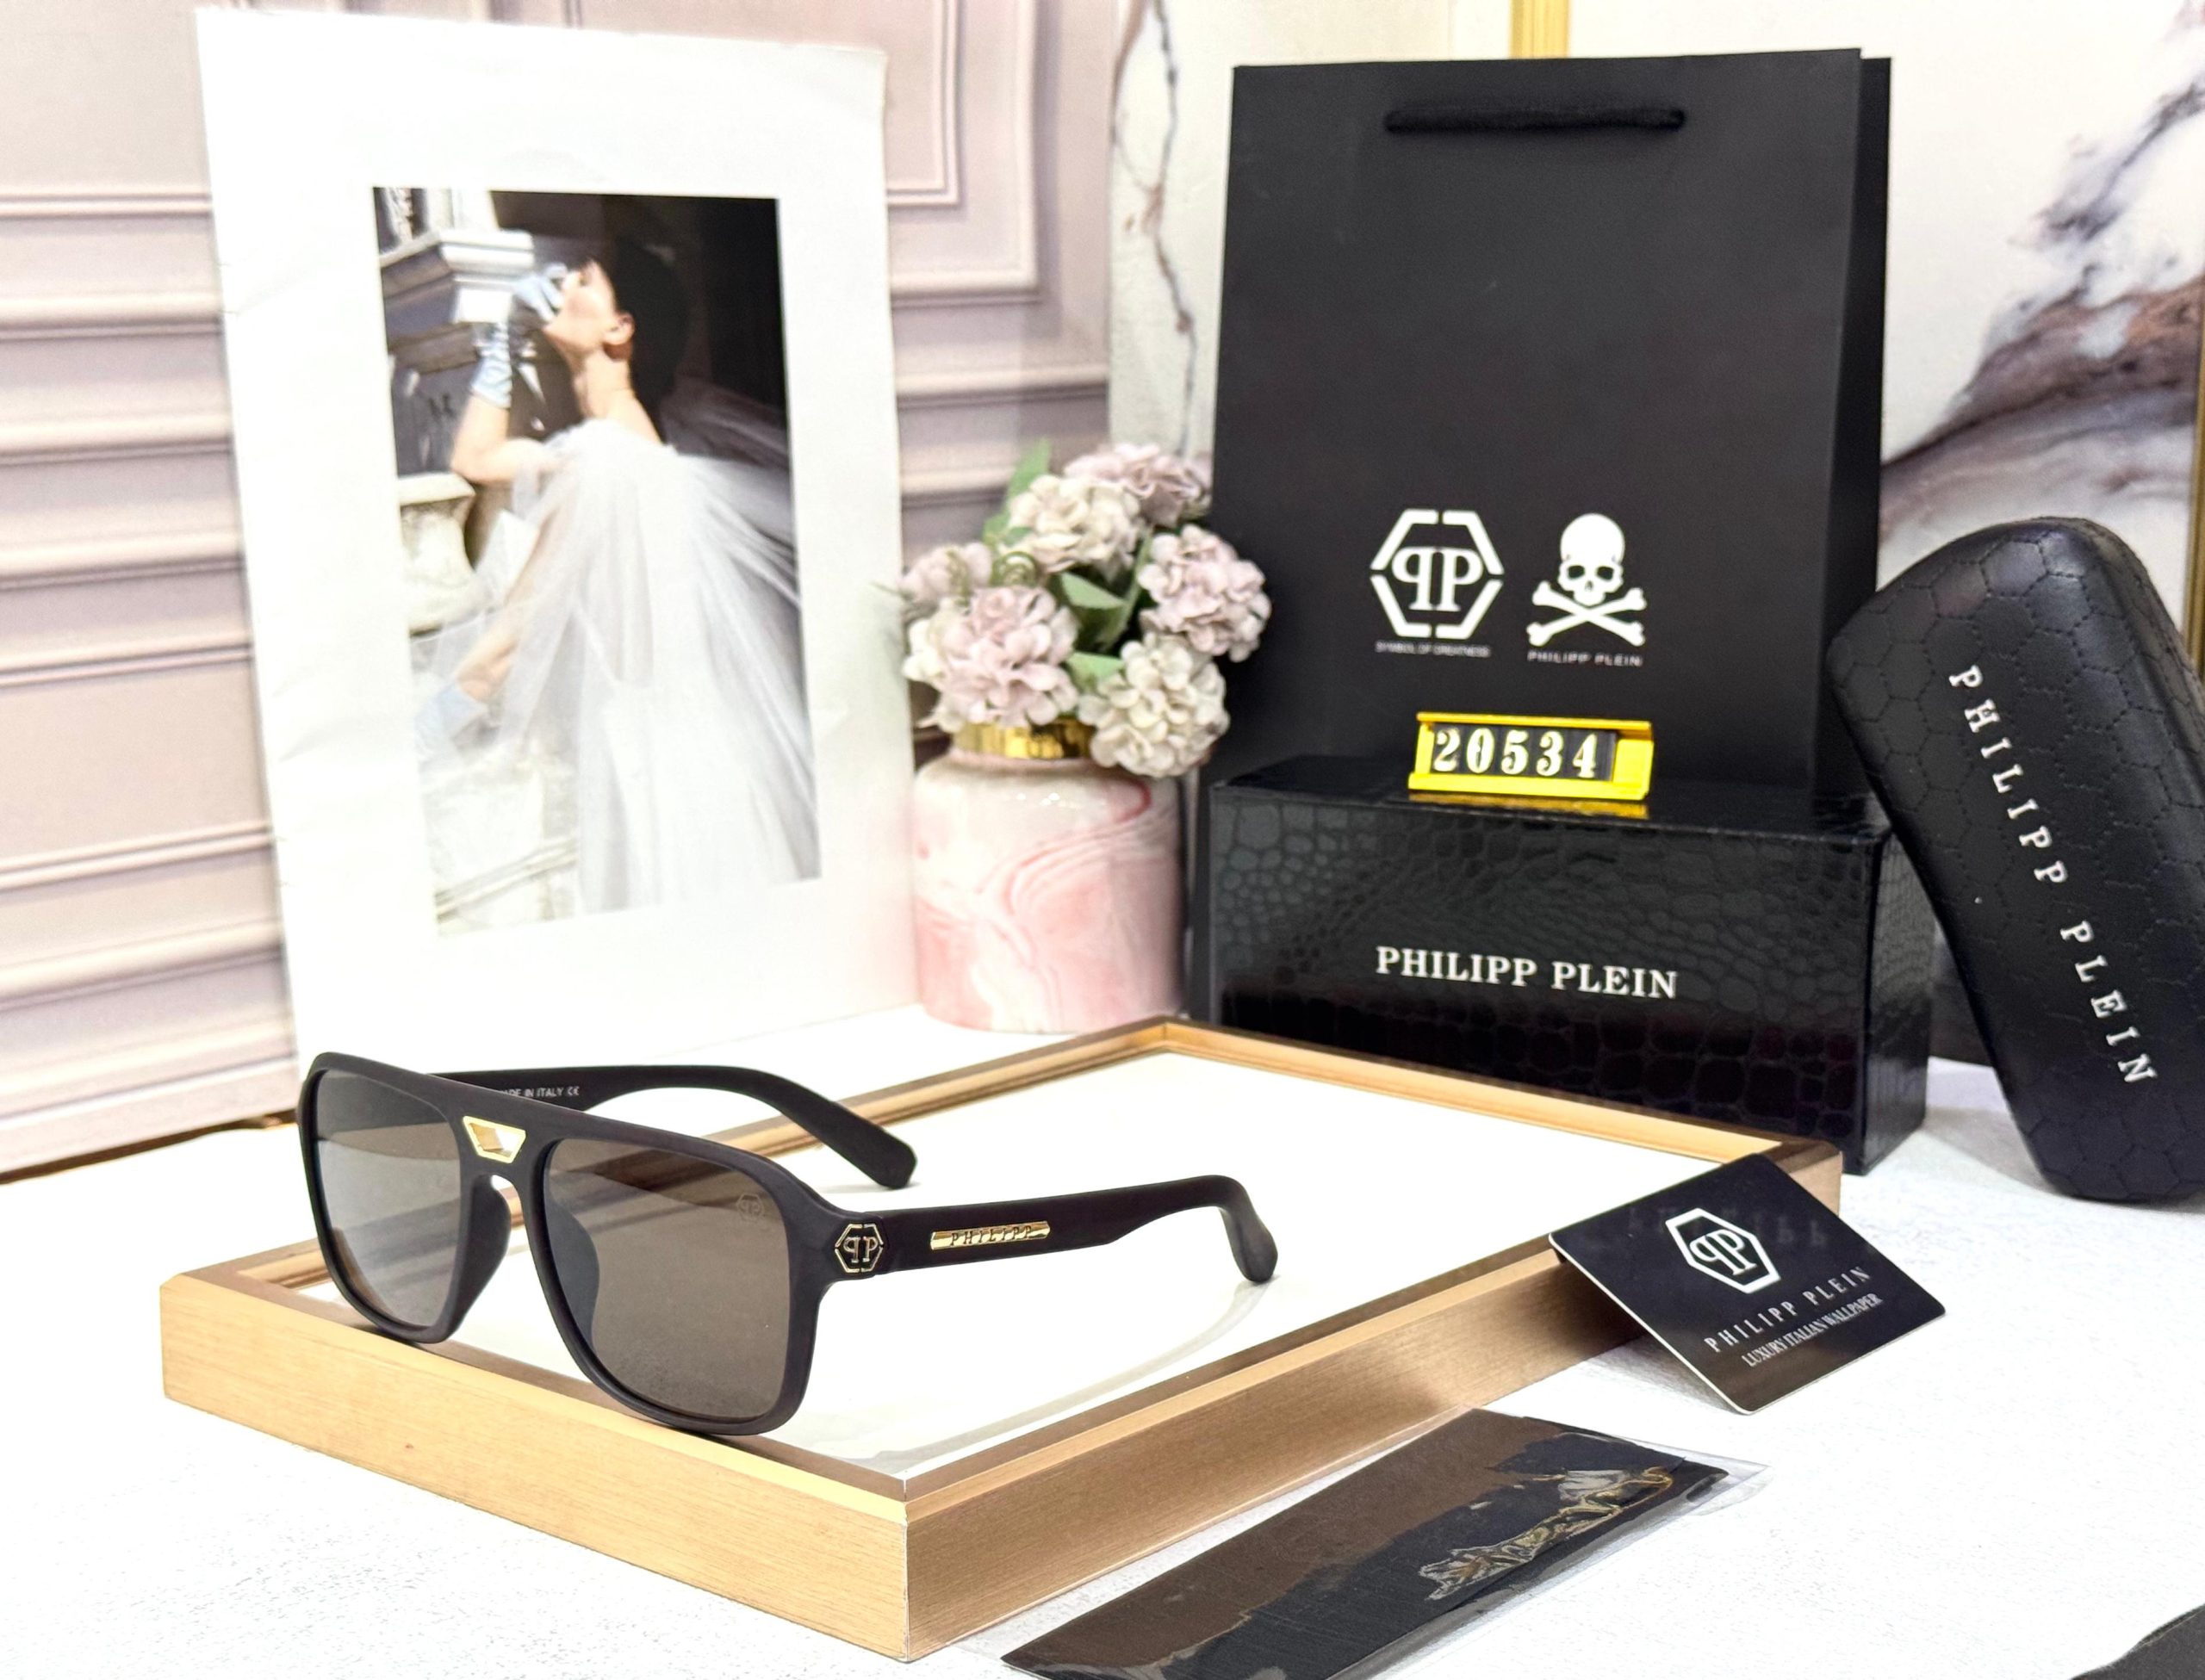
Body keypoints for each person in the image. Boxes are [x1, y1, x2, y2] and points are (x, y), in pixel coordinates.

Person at [417, 237, 817, 925]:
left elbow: (506, 648)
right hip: (699, 764)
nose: (558, 286)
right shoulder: (628, 450)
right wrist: (500, 345)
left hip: (647, 776)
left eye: (581, 279)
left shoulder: (597, 462)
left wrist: (420, 736)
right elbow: (477, 460)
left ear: (619, 327)